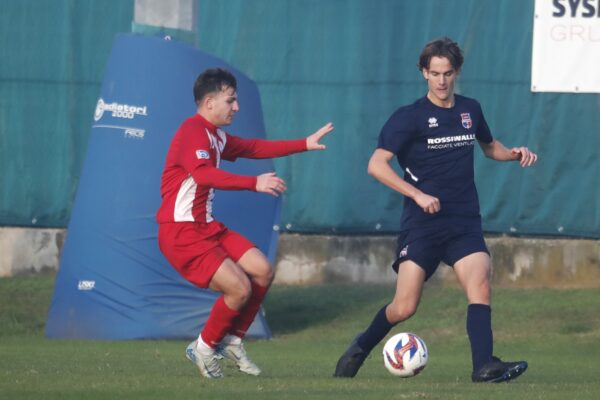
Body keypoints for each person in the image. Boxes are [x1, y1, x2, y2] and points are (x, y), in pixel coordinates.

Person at [334, 37, 537, 383]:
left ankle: (483, 366)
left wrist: (514, 153)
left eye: (448, 73)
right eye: (435, 73)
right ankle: (360, 347)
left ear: (457, 72)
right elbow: (376, 165)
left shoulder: (470, 110)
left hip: (463, 221)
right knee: (404, 307)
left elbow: (490, 148)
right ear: (423, 73)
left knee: (480, 284)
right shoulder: (409, 118)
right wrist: (417, 195)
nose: (442, 81)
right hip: (423, 224)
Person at [157, 67, 333, 379]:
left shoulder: (215, 136)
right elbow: (203, 175)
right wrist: (254, 183)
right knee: (238, 288)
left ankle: (233, 341)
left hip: (208, 227)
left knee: (263, 271)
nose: (236, 107)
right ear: (209, 102)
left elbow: (253, 148)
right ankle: (203, 346)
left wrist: (304, 143)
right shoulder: (192, 131)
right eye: (231, 100)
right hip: (182, 232)